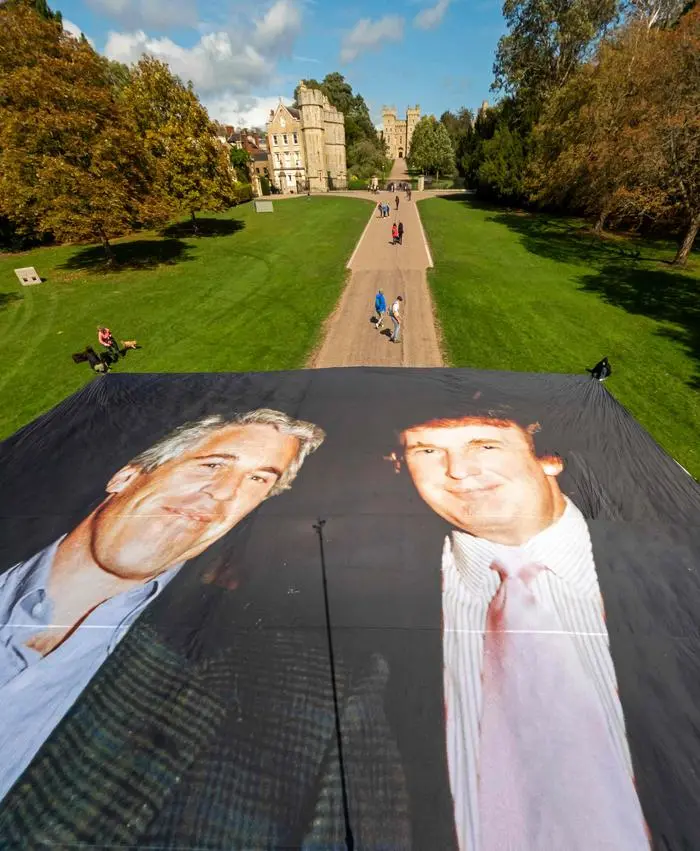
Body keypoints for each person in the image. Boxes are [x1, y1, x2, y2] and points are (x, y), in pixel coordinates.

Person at [0, 410, 410, 848]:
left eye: (259, 482)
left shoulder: (319, 697)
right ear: (126, 475)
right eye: (213, 465)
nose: (221, 494)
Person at [391, 412, 652, 851]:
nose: (458, 471)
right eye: (428, 452)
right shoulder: (373, 594)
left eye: (486, 446)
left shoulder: (677, 567)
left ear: (549, 458)